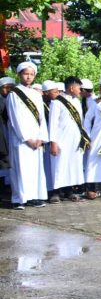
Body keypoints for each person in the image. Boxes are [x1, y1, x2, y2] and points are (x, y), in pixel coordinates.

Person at [7, 62, 48, 209]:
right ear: (19, 75)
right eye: (26, 73)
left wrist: (41, 137)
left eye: (31, 74)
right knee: (20, 169)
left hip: (36, 139)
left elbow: (42, 118)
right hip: (21, 139)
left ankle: (33, 197)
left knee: (35, 169)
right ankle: (19, 199)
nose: (28, 76)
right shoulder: (14, 94)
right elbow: (15, 119)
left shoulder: (37, 95)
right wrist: (27, 138)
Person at [48, 76, 89, 203]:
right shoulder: (57, 102)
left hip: (75, 139)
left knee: (72, 165)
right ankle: (55, 192)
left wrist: (84, 138)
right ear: (71, 87)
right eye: (78, 87)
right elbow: (52, 124)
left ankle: (69, 191)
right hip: (61, 140)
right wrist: (53, 142)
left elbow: (80, 123)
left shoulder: (77, 102)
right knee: (59, 165)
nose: (80, 90)